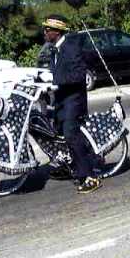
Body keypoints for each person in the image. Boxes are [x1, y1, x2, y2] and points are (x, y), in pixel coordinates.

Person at [42, 14, 102, 194]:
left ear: (56, 32)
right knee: (56, 135)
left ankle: (89, 176)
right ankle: (71, 166)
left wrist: (55, 80)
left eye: (47, 29)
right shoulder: (54, 49)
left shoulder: (70, 47)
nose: (44, 32)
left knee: (71, 135)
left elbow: (78, 76)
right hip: (61, 100)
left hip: (74, 101)